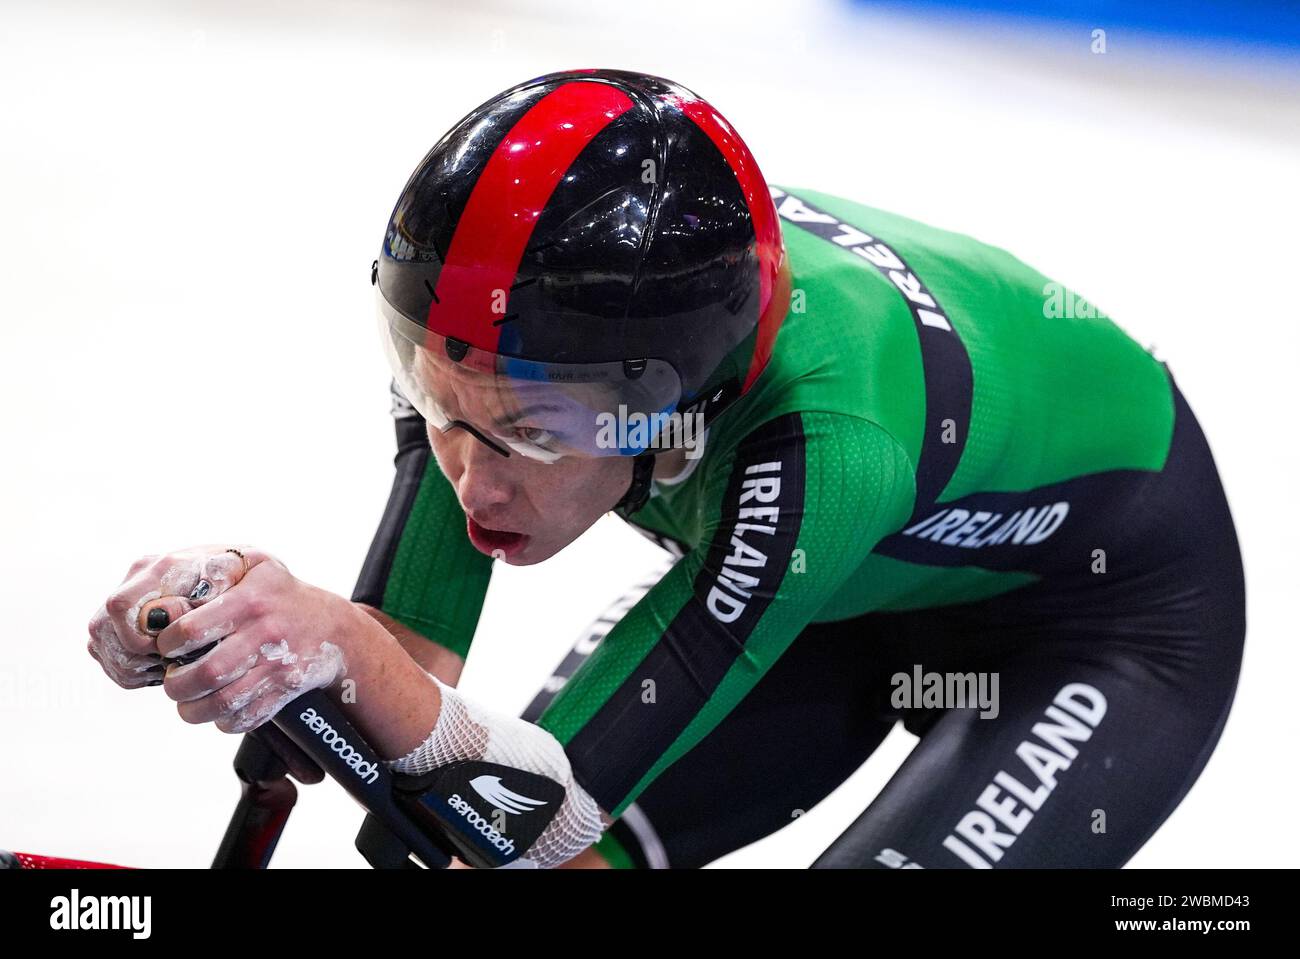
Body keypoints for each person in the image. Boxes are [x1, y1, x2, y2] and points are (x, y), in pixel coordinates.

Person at [87, 68, 1245, 869]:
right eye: (439, 410)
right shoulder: (501, 353)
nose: (474, 482)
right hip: (843, 586)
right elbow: (407, 687)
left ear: (673, 407)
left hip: (1098, 626)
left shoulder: (825, 444)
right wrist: (246, 615)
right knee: (433, 836)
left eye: (536, 433)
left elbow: (529, 819)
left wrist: (332, 645)